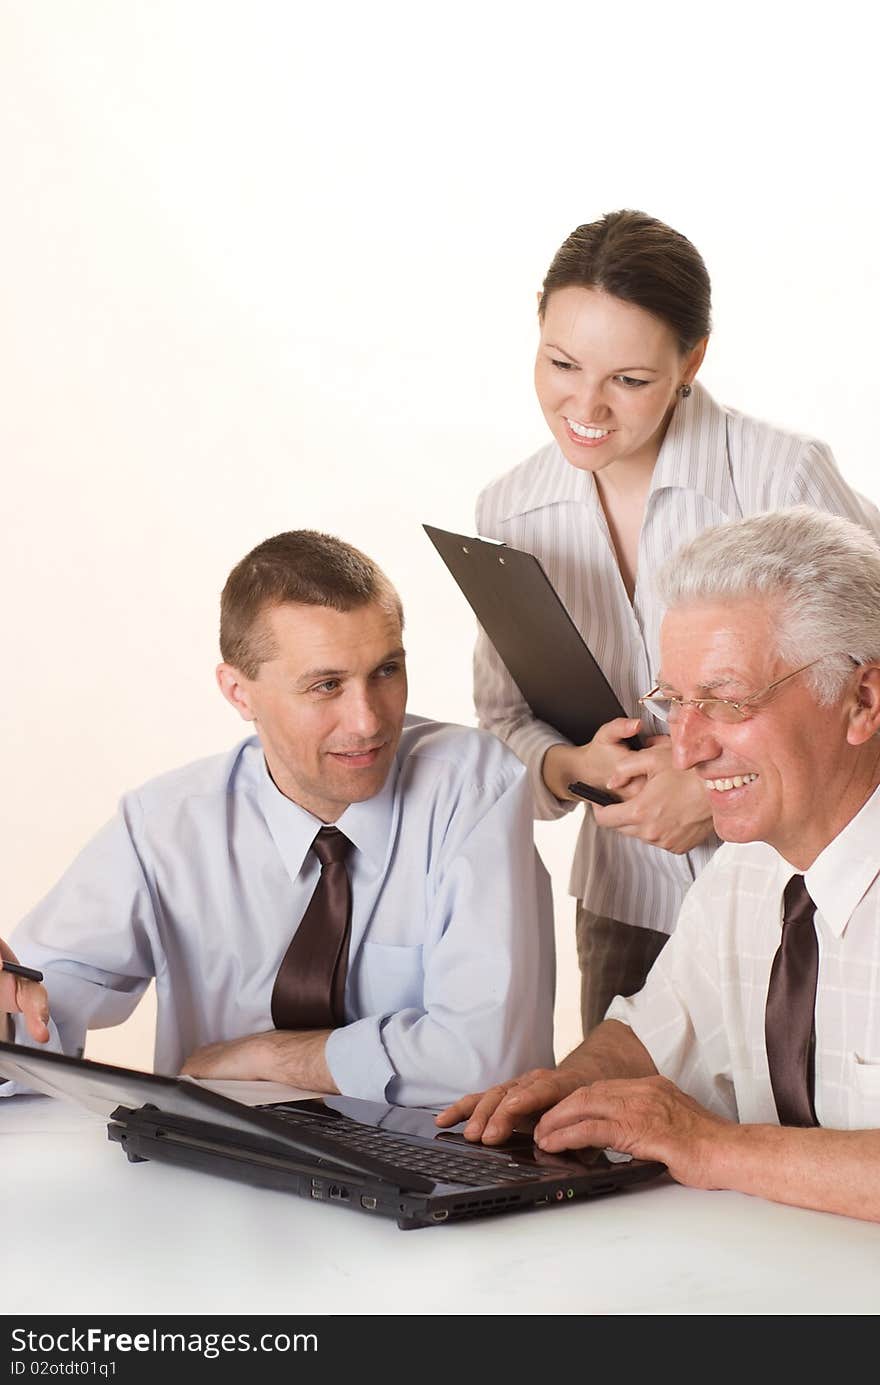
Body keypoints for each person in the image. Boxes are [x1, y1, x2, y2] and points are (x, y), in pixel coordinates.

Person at [475, 208, 880, 1035]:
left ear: (692, 360)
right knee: (609, 1148)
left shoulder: (778, 472)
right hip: (626, 904)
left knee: (792, 1149)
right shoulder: (511, 509)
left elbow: (873, 679)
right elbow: (504, 720)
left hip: (801, 896)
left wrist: (706, 788)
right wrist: (569, 769)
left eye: (629, 379)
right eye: (561, 363)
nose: (585, 405)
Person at [1, 529, 555, 1107]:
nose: (367, 721)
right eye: (326, 685)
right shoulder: (164, 825)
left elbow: (489, 1061)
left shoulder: (473, 787)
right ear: (239, 693)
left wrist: (269, 1057)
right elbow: (37, 1015)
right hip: (227, 1169)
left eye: (386, 671)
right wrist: (7, 1022)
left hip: (435, 1168)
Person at [439, 507, 880, 1223]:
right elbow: (659, 1027)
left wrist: (709, 1145)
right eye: (676, 702)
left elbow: (703, 1141)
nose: (687, 748)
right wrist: (563, 1089)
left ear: (862, 699)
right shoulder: (746, 868)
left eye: (729, 701)